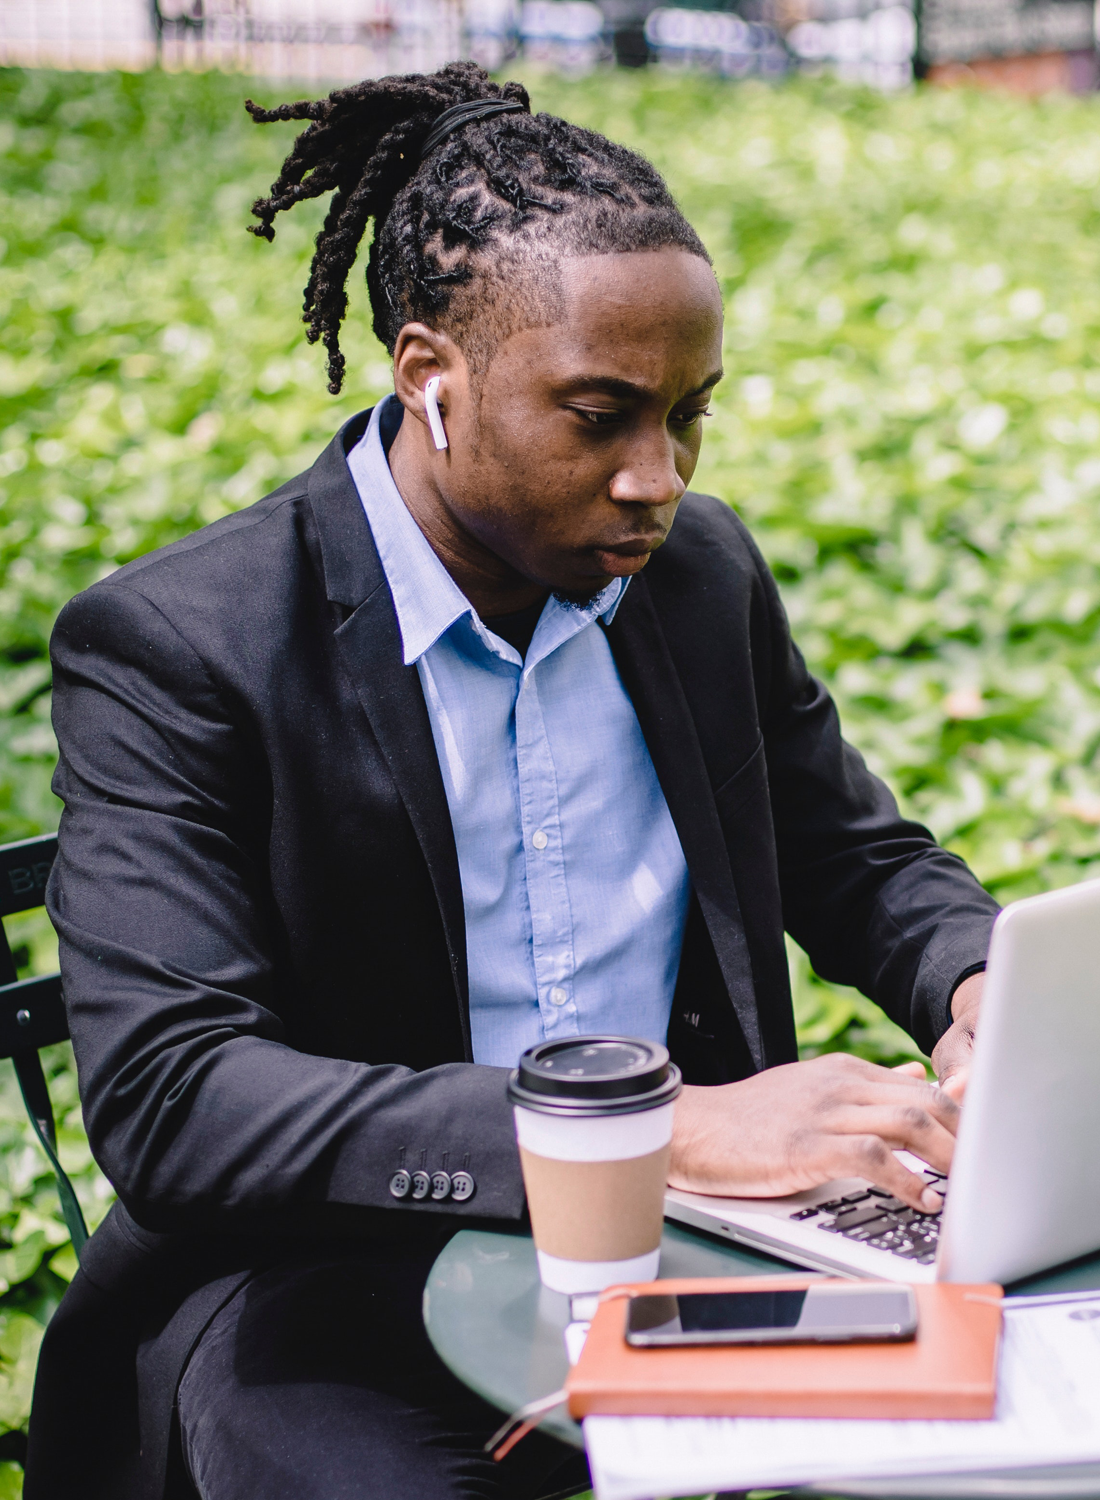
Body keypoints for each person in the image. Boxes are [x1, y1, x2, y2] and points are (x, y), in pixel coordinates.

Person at [26, 62, 999, 1500]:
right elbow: (180, 1099)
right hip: (327, 1284)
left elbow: (858, 860)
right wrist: (661, 1137)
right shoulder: (184, 645)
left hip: (698, 1260)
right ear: (431, 377)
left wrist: (985, 994)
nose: (656, 478)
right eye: (601, 416)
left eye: (689, 416)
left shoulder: (699, 579)